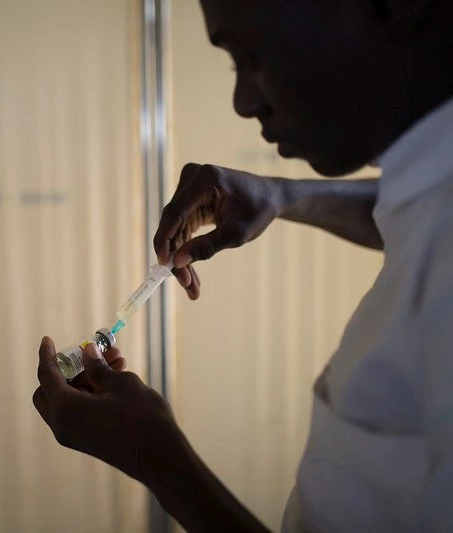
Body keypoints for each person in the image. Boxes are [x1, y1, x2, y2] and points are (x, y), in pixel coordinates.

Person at [33, 0, 453, 531]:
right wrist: (284, 196)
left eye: (250, 55)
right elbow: (415, 209)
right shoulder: (436, 190)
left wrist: (160, 461)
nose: (243, 101)